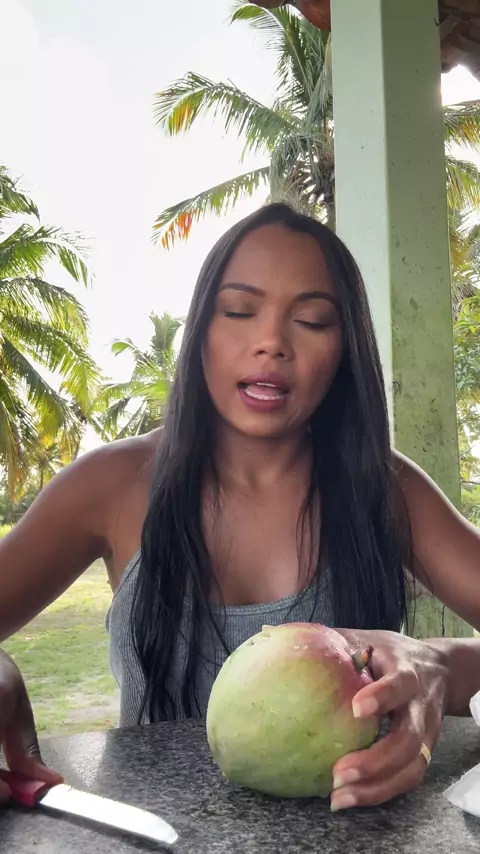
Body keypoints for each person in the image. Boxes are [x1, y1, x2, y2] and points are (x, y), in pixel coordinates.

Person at [1, 203, 480, 814]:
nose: (272, 343)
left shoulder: (383, 488)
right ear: (201, 330)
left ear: (345, 350)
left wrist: (439, 664)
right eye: (238, 311)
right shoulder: (112, 483)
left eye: (311, 320)